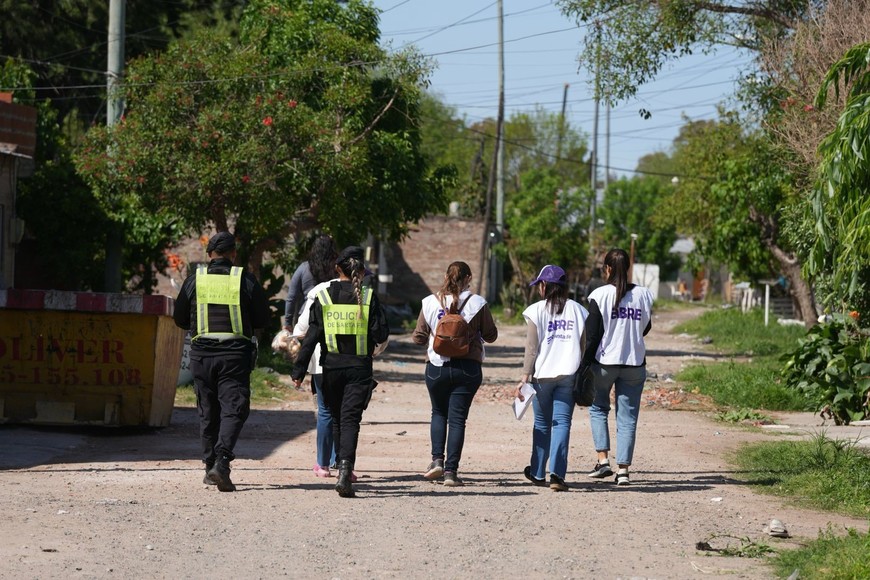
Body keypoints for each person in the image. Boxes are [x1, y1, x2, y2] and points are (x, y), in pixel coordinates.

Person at [173, 231, 270, 492]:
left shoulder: (195, 281)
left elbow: (179, 318)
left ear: (209, 255)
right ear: (233, 254)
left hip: (202, 356)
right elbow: (262, 319)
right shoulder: (245, 280)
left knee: (207, 409)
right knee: (234, 408)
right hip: (234, 355)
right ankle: (222, 462)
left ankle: (209, 466)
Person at [291, 246, 389, 497]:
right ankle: (346, 469)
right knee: (351, 420)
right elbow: (380, 334)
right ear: (362, 270)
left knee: (336, 418)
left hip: (331, 369)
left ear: (338, 269)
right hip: (359, 369)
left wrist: (299, 370)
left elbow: (311, 336)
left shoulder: (323, 297)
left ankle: (340, 468)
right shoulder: (367, 297)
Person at [412, 261, 498, 487]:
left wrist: (437, 336)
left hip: (436, 368)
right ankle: (451, 472)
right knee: (458, 420)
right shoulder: (478, 303)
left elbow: (418, 337)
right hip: (467, 369)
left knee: (438, 413)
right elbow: (490, 336)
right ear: (468, 278)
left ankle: (436, 460)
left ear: (445, 276)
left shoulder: (430, 302)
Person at [580, 248, 653, 486]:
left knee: (599, 408)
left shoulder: (599, 295)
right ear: (628, 268)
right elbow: (646, 327)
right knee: (628, 417)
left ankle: (603, 461)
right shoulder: (644, 295)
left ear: (608, 269)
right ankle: (623, 471)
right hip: (634, 363)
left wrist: (584, 364)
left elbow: (591, 336)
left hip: (604, 364)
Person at [515, 265, 588, 491]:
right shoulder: (578, 309)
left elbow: (531, 348)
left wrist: (525, 377)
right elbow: (583, 344)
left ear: (545, 286)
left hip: (542, 377)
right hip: (569, 375)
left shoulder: (536, 311)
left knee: (542, 424)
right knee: (562, 423)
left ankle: (537, 473)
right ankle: (557, 475)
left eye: (539, 285)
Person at [284, 235, 338, 330]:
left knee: (306, 345)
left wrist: (287, 322)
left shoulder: (304, 268)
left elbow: (291, 298)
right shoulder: (337, 269)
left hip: (306, 315)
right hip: (331, 315)